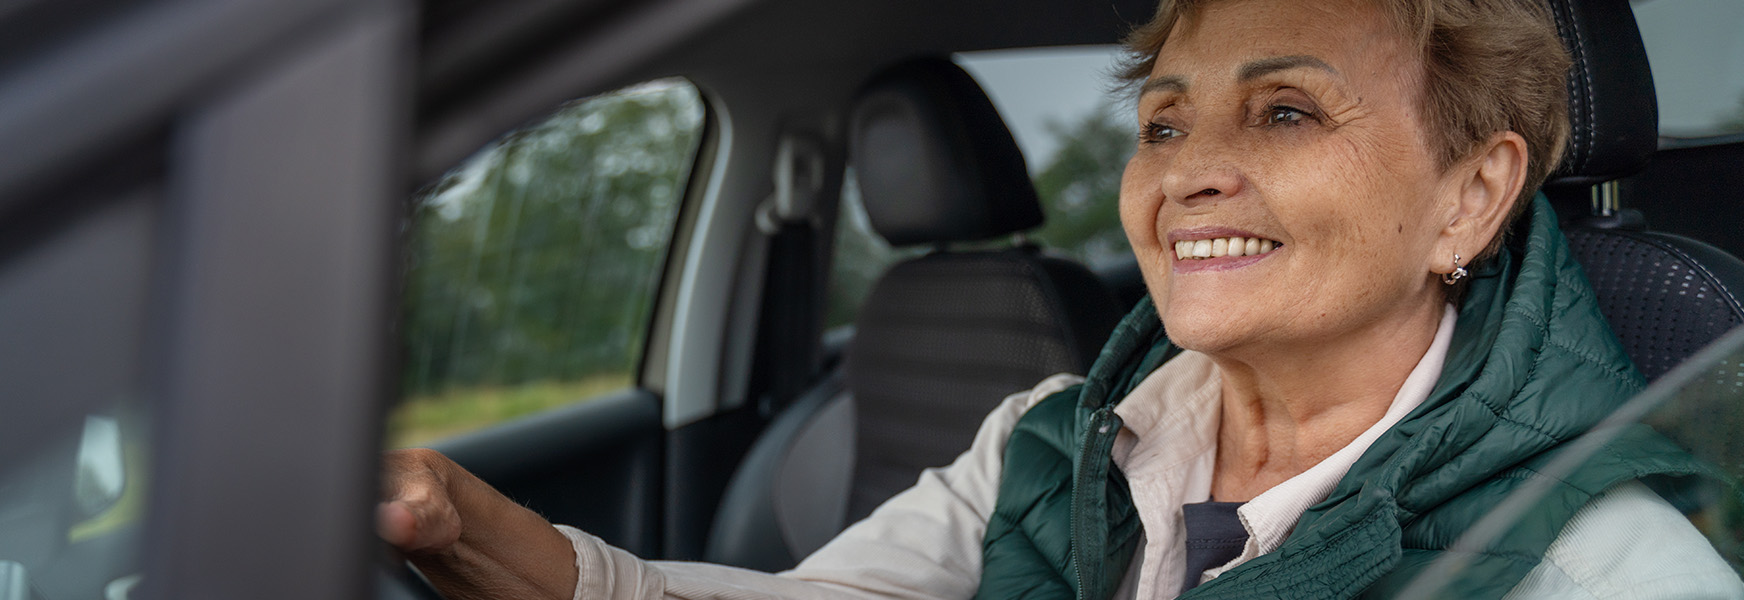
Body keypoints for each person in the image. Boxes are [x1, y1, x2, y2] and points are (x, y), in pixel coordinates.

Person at [378, 0, 1744, 598]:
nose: (1191, 173)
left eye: (1282, 110)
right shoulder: (1060, 435)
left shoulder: (1596, 571)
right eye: (1161, 124)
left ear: (1470, 196)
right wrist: (481, 548)